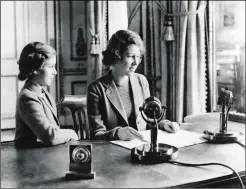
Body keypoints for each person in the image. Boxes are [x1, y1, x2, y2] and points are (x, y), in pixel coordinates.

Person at [87, 30, 180, 141]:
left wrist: (164, 124)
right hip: (112, 152)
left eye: (138, 57)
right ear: (116, 55)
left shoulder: (141, 81)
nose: (136, 62)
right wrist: (117, 134)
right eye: (131, 56)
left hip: (141, 148)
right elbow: (96, 135)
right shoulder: (96, 89)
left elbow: (149, 118)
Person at [15, 42, 78, 147]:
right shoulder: (27, 97)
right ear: (35, 69)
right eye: (51, 66)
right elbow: (50, 136)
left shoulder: (45, 94)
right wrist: (71, 133)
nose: (55, 72)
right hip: (31, 159)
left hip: (46, 153)